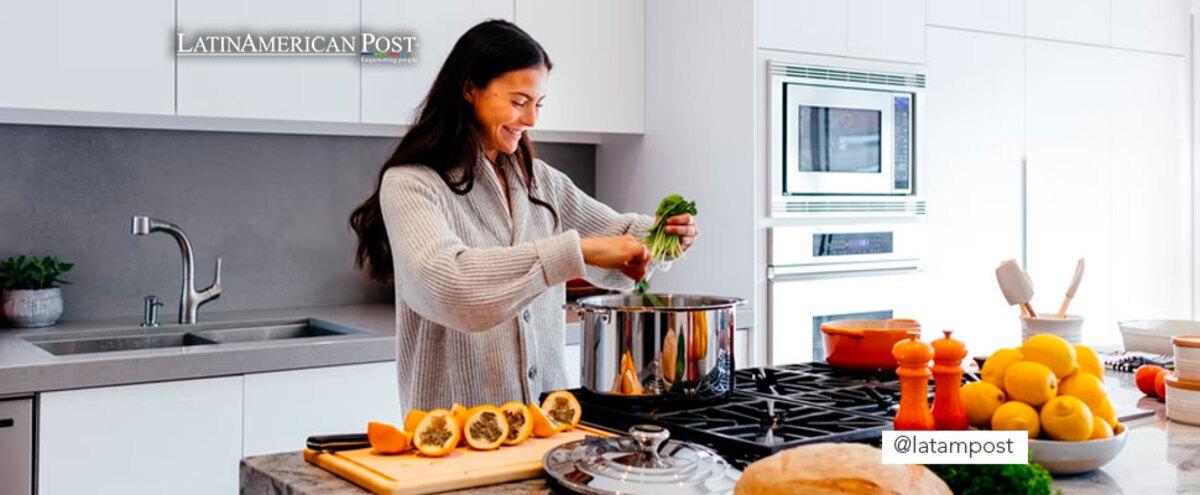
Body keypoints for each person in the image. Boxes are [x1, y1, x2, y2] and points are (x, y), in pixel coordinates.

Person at [349, 19, 697, 412]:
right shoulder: (412, 183)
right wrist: (573, 252)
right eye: (518, 102)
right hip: (454, 433)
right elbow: (448, 285)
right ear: (469, 89)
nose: (531, 120)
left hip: (548, 424)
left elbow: (616, 235)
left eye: (538, 104)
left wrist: (663, 235)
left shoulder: (540, 181)